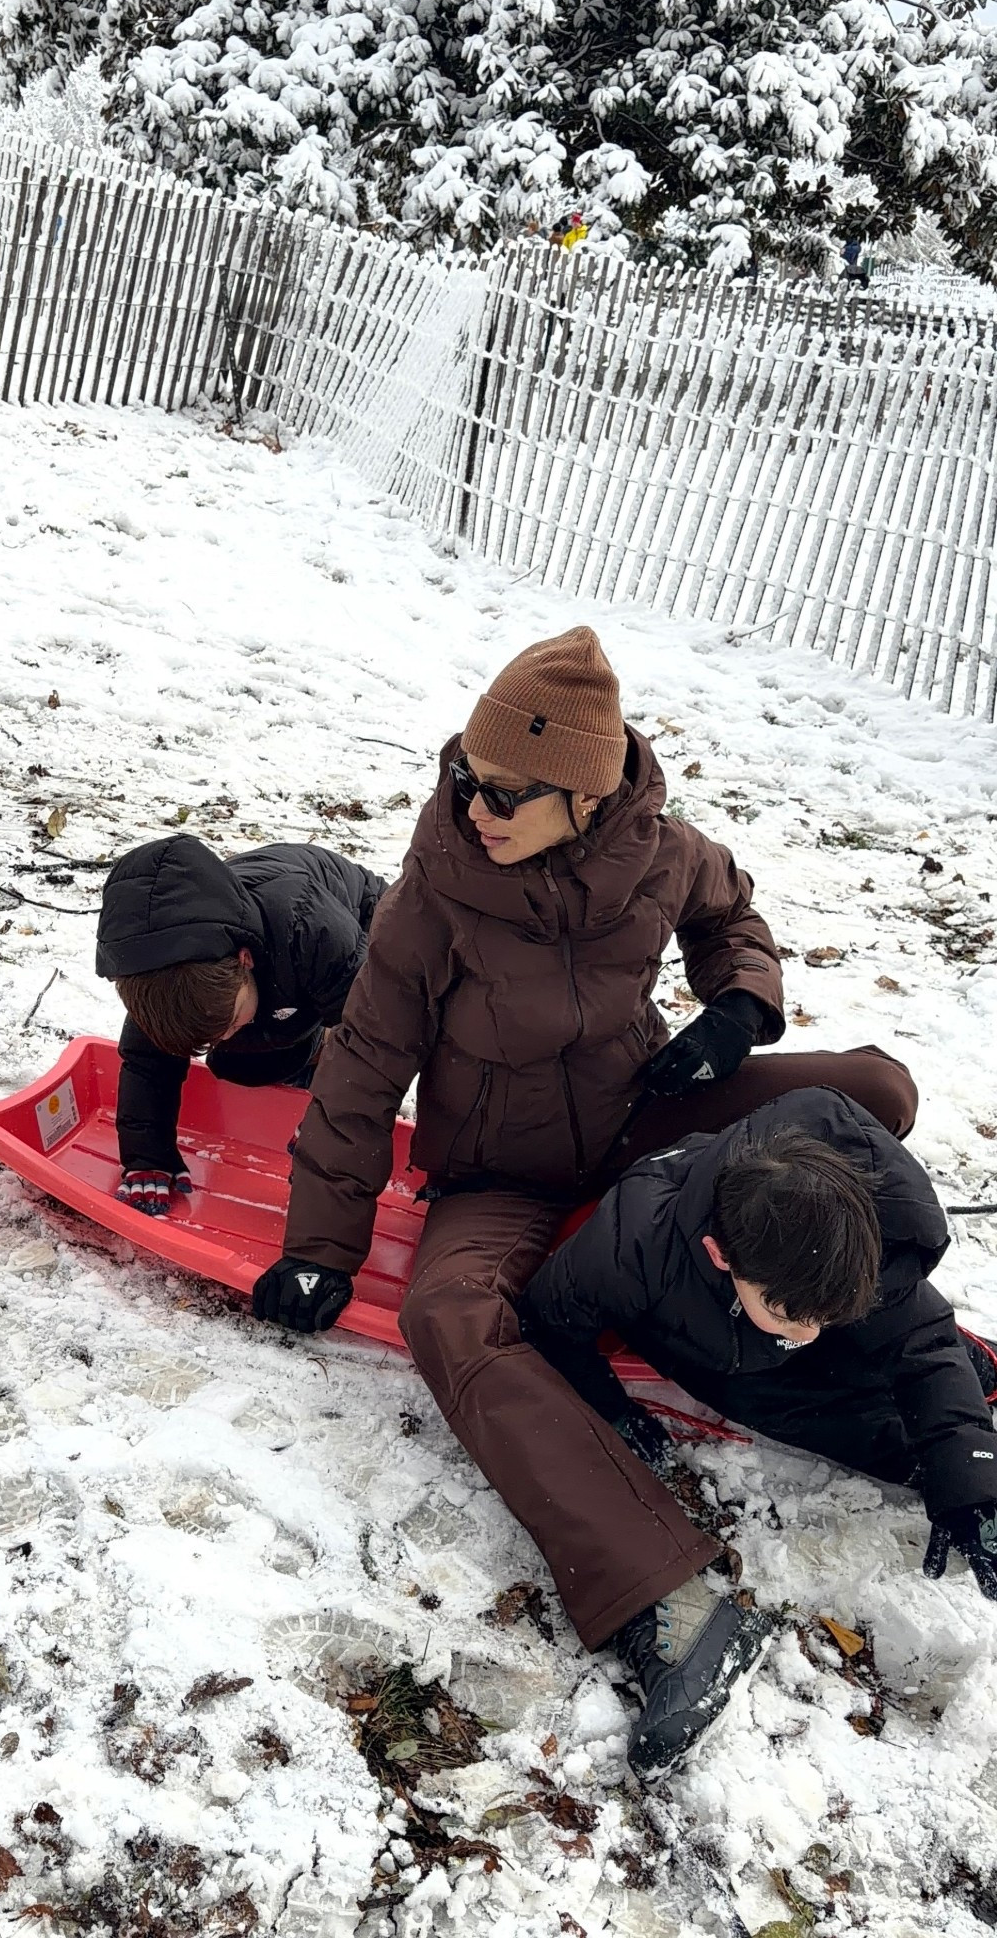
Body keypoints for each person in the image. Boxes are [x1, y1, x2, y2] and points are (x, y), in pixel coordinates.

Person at [252, 626, 918, 1779]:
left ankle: (867, 1311)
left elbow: (732, 919)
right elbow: (361, 1063)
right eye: (466, 775)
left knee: (873, 1087)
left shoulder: (660, 852)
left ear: (588, 792)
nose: (475, 806)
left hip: (637, 1122)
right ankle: (671, 1601)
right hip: (501, 1175)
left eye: (506, 790)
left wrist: (738, 1009)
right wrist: (321, 1242)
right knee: (448, 1317)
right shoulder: (435, 899)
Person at [518, 1091, 997, 1611]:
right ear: (720, 1255)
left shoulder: (859, 1237)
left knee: (914, 1360)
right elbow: (550, 1321)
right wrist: (611, 1410)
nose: (809, 1331)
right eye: (791, 1315)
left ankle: (972, 1369)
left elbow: (919, 1338)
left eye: (821, 1317)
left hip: (800, 1294)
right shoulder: (628, 1250)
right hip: (712, 1341)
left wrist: (968, 1469)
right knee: (818, 1415)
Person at [96, 833, 385, 1216]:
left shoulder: (309, 928)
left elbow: (379, 1035)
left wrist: (332, 1114)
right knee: (239, 1063)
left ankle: (321, 1042)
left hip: (364, 927)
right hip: (277, 975)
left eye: (230, 1022)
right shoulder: (159, 979)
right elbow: (148, 1064)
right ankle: (307, 1043)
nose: (225, 1037)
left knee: (350, 1032)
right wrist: (147, 1157)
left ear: (244, 960)